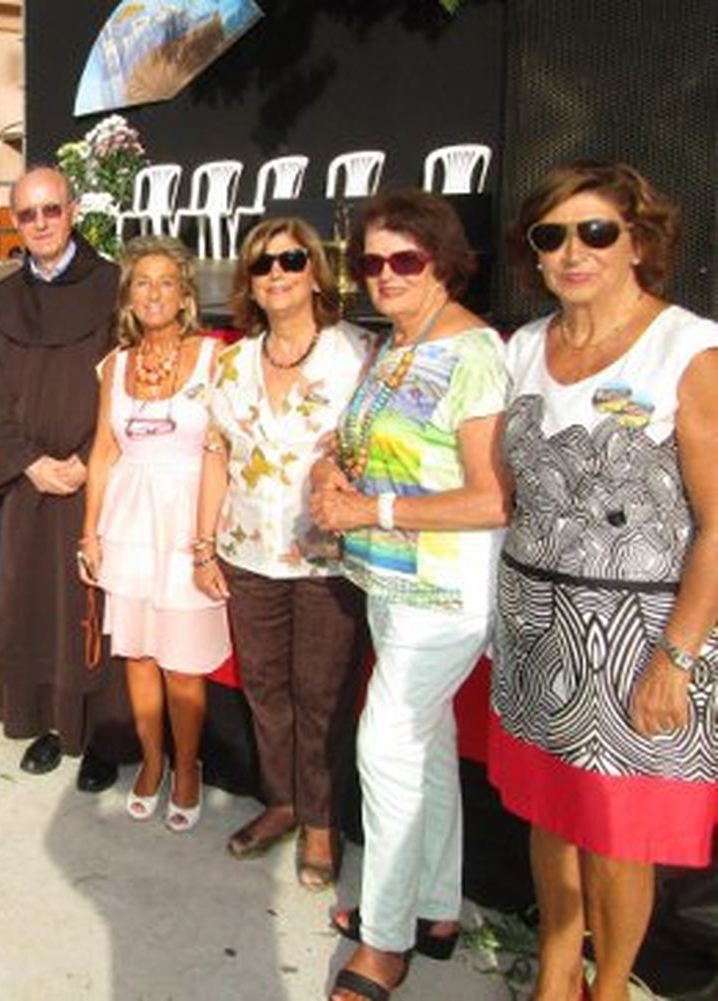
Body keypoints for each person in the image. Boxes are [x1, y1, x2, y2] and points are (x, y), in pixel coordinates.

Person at [492, 161, 718, 1001]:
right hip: (532, 623)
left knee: (619, 832)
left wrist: (679, 656)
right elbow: (506, 490)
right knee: (552, 814)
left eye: (596, 231)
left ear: (638, 242)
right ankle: (558, 967)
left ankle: (611, 982)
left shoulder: (687, 348)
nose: (573, 251)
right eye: (552, 236)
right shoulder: (523, 348)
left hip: (637, 638)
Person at [310, 190, 509, 1001]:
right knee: (421, 744)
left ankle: (385, 942)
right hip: (386, 581)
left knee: (386, 746)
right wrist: (331, 469)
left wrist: (371, 509)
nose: (384, 275)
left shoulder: (474, 352)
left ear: (444, 262)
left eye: (405, 260)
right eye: (371, 261)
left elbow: (493, 496)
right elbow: (359, 436)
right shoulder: (394, 344)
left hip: (444, 590)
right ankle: (435, 907)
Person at [194, 218, 369, 886]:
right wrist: (204, 544)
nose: (277, 273)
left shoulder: (358, 353)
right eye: (263, 264)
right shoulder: (233, 360)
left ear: (316, 272)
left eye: (292, 259)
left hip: (326, 559)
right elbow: (216, 457)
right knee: (265, 689)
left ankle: (323, 824)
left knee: (321, 695)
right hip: (247, 553)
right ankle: (283, 802)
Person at [0, 165, 137, 792]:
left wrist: (90, 456)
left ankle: (102, 736)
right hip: (31, 483)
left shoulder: (113, 288)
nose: (40, 223)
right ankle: (49, 725)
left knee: (96, 607)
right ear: (14, 222)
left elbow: (130, 379)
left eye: (51, 210)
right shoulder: (0, 302)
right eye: (27, 214)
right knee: (38, 602)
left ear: (72, 211)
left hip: (99, 473)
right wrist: (29, 463)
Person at [78, 235, 228, 830]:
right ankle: (152, 760)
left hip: (189, 522)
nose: (155, 293)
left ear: (186, 292)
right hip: (128, 522)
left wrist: (207, 539)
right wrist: (89, 535)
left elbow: (223, 450)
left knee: (183, 662)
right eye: (143, 282)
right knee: (138, 653)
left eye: (167, 281)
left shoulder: (217, 358)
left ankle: (188, 769)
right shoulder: (115, 364)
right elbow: (101, 453)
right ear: (128, 295)